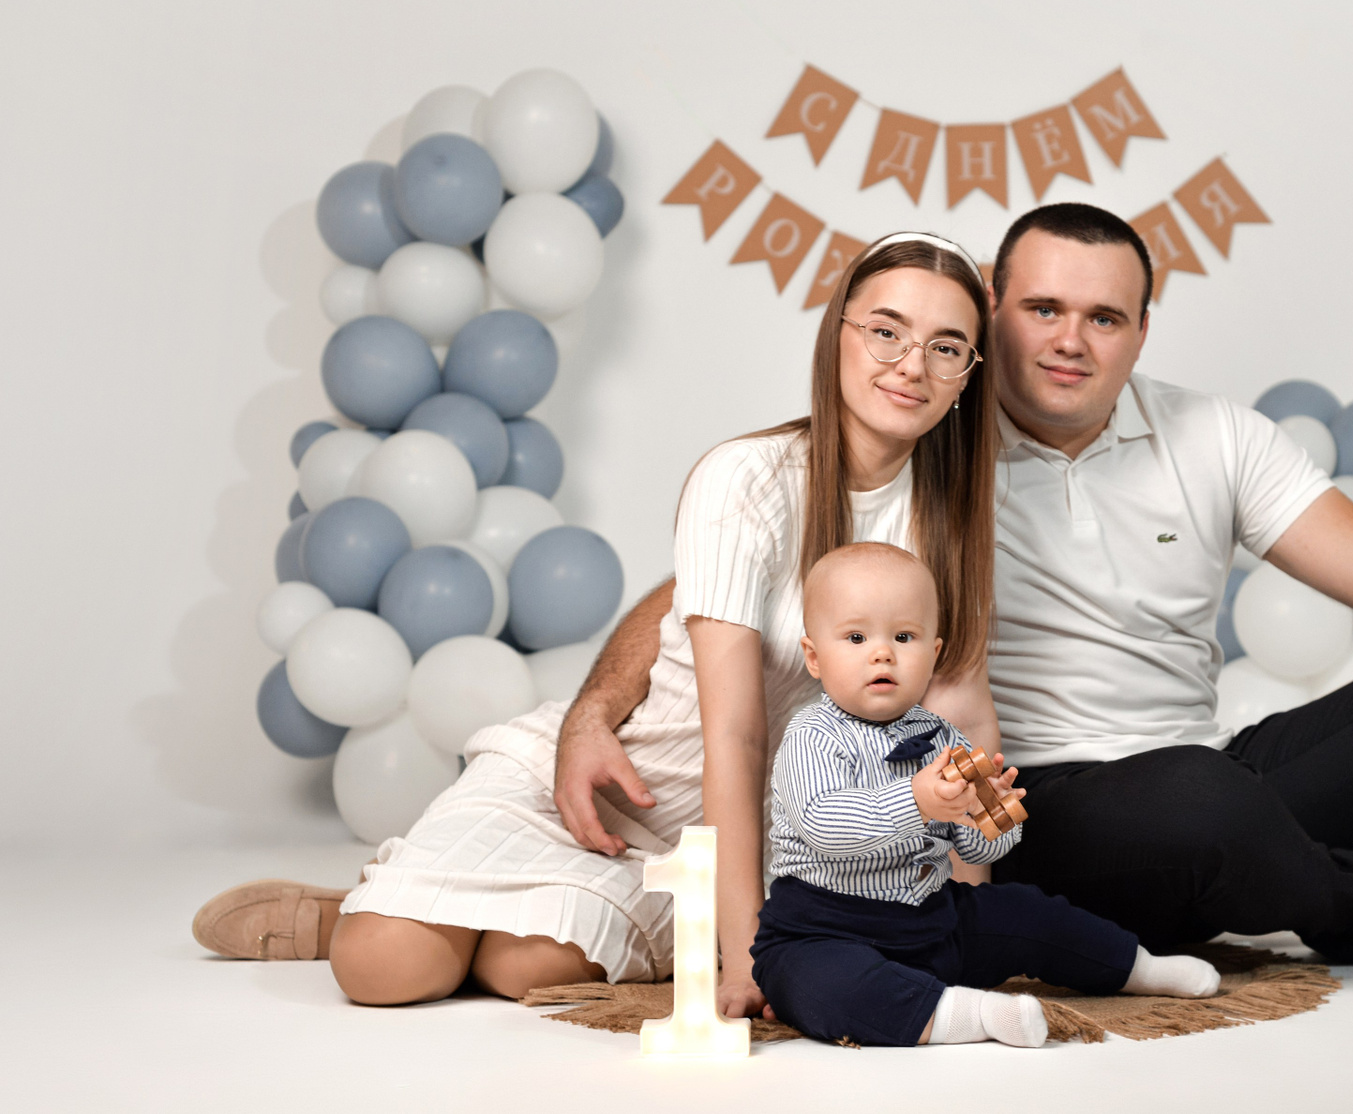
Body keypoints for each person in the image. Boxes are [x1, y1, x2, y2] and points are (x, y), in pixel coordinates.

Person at [554, 203, 1353, 1009]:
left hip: (1207, 780)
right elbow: (720, 578)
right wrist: (594, 706)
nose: (1070, 339)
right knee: (1200, 799)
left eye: (1103, 315)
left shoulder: (1213, 436)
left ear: (1141, 328)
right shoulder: (933, 435)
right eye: (1040, 308)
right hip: (1031, 804)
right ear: (991, 316)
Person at [195, 233, 1007, 1017]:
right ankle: (370, 909)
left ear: (969, 374)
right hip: (624, 776)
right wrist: (745, 954)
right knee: (384, 968)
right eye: (886, 331)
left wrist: (965, 923)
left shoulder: (949, 522)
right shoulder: (748, 480)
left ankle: (450, 916)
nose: (912, 365)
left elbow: (961, 719)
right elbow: (735, 734)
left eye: (946, 347)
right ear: (838, 335)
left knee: (525, 967)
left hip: (738, 836)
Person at [751, 541, 1219, 1047]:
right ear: (815, 657)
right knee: (825, 988)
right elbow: (824, 824)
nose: (882, 652)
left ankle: (1134, 966)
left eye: (904, 637)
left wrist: (989, 816)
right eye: (857, 637)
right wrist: (917, 801)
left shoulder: (942, 737)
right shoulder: (812, 735)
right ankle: (966, 1015)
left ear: (933, 654)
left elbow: (975, 851)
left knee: (1027, 912)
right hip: (822, 928)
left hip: (931, 917)